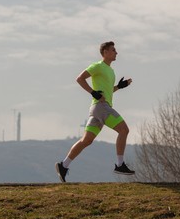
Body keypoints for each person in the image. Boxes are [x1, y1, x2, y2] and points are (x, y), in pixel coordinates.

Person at [55, 41, 135, 182]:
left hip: (98, 108)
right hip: (101, 107)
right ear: (105, 52)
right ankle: (120, 164)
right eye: (113, 50)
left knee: (86, 140)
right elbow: (80, 79)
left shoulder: (110, 71)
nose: (116, 52)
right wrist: (93, 92)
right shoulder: (97, 66)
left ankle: (64, 165)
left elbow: (108, 91)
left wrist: (119, 87)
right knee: (124, 130)